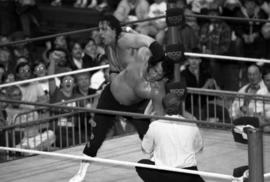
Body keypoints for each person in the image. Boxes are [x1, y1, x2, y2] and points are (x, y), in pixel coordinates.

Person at [69, 54, 174, 182]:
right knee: (96, 137)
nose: (154, 75)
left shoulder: (157, 89)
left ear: (163, 78)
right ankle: (81, 172)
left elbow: (159, 115)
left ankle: (159, 165)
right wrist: (113, 72)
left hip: (134, 105)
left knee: (149, 133)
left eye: (159, 75)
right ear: (150, 65)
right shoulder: (138, 64)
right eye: (154, 70)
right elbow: (117, 54)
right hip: (111, 99)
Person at [135, 92, 205, 182]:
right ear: (180, 107)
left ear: (164, 107)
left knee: (142, 165)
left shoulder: (155, 125)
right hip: (188, 175)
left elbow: (145, 149)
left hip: (165, 176)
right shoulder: (191, 125)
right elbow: (198, 149)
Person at [98, 14, 164, 80]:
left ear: (114, 30)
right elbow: (114, 71)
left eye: (104, 29)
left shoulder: (124, 40)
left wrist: (154, 68)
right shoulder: (108, 48)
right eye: (99, 29)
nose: (100, 33)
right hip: (130, 83)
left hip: (146, 81)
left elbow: (153, 44)